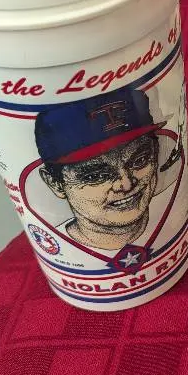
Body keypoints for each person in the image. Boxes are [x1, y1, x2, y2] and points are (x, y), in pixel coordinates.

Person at [35, 87, 176, 255]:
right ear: (55, 183)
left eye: (140, 160)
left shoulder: (175, 206)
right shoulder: (53, 243)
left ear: (155, 151)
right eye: (96, 176)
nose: (126, 184)